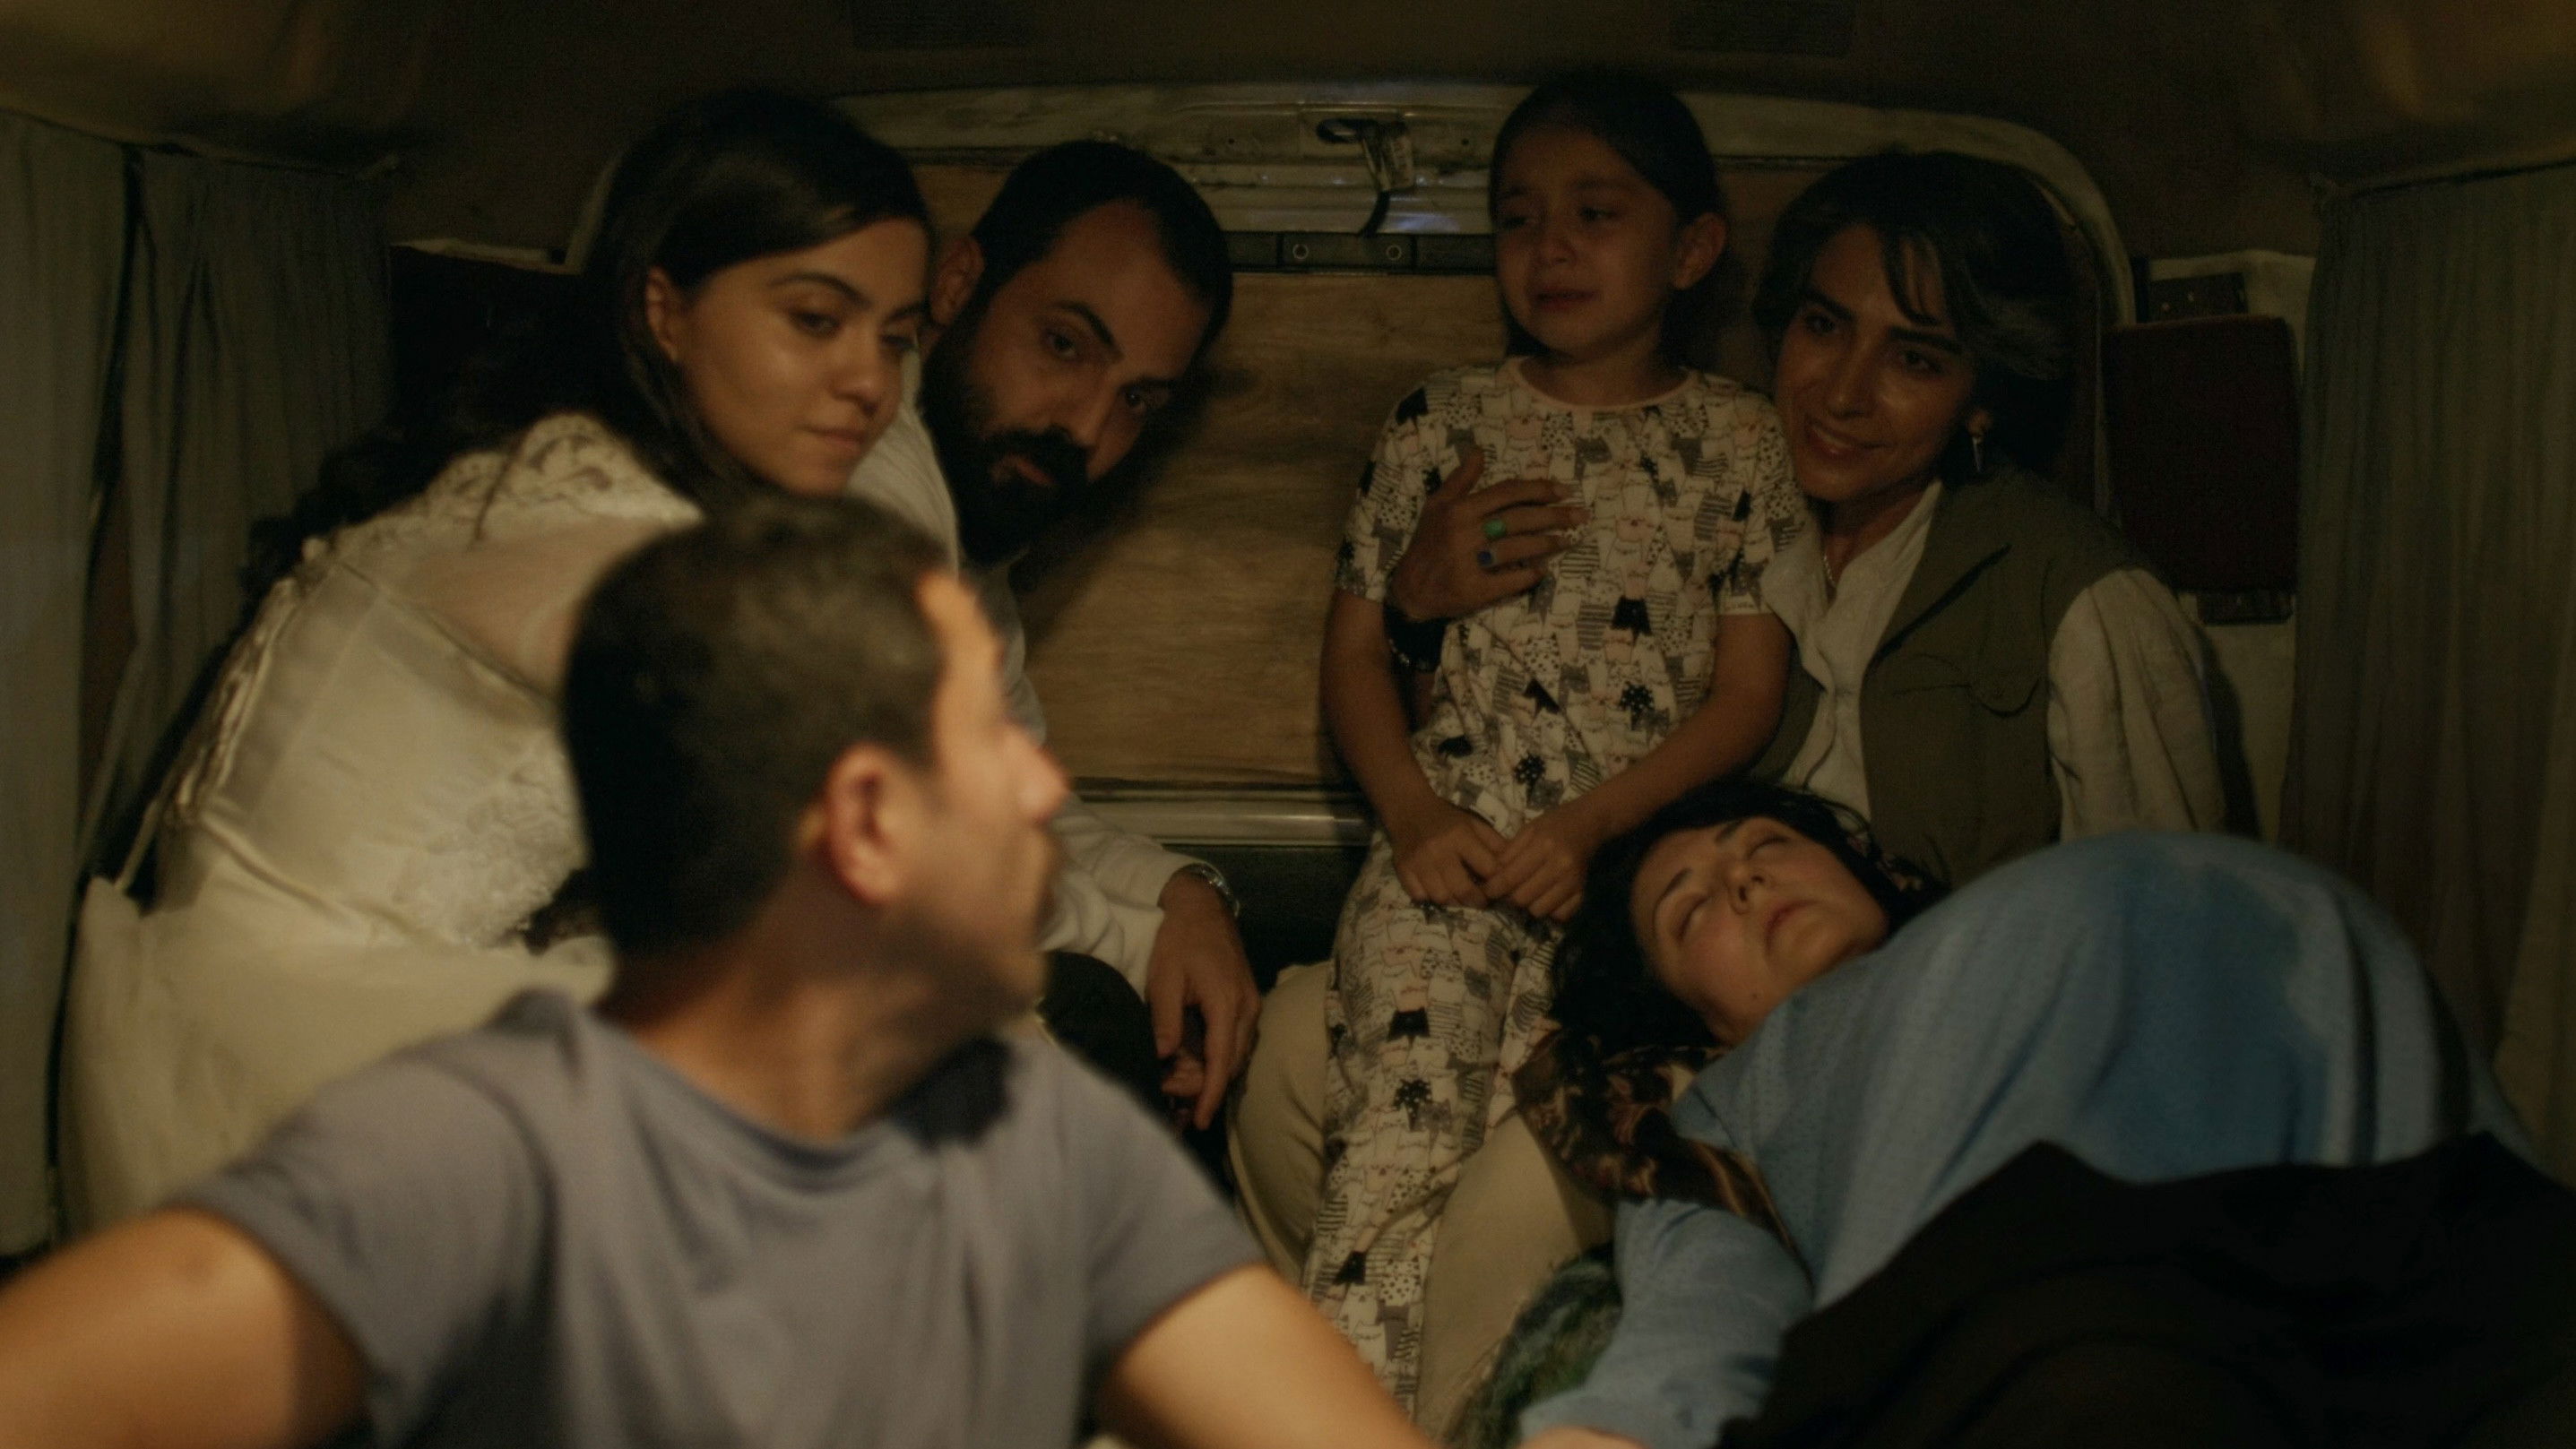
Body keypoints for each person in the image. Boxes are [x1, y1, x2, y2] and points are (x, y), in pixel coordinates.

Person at [0, 495, 1442, 1449]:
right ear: (863, 824)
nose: (1037, 786)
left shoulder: (1041, 1141)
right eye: (982, 744)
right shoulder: (483, 1160)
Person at [61, 91, 935, 1225]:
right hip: (301, 1051)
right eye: (816, 320)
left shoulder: (552, 462)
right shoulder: (606, 537)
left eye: (896, 339)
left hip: (212, 999)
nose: (872, 384)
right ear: (665, 312)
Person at [1509, 779, 2565, 1448]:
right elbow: (1703, 1296)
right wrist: (1622, 1430)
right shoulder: (1723, 1100)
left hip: (2428, 1233)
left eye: (1766, 844)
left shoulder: (1993, 916)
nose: (1741, 879)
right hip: (2057, 1299)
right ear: (1693, 1017)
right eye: (1691, 908)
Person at [1292, 74, 1805, 1410]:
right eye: (1518, 218)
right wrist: (1413, 815)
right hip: (1450, 854)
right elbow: (1354, 654)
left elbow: (1746, 697)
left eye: (1595, 213)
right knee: (1390, 1163)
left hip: (1623, 875)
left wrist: (1591, 830)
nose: (1551, 247)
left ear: (1690, 249)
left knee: (1527, 1202)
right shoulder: (1440, 419)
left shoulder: (1738, 439)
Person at [846, 139, 1258, 1126]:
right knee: (1094, 1018)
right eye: (1065, 346)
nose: (1085, 429)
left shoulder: (969, 536)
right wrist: (1135, 944)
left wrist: (1183, 895)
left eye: (1137, 401)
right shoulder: (868, 494)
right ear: (958, 285)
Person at [1742, 150, 2223, 886]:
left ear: (1983, 399)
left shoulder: (2086, 595)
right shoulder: (1730, 523)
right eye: (1824, 326)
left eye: (1914, 360)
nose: (1841, 394)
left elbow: (2166, 913)